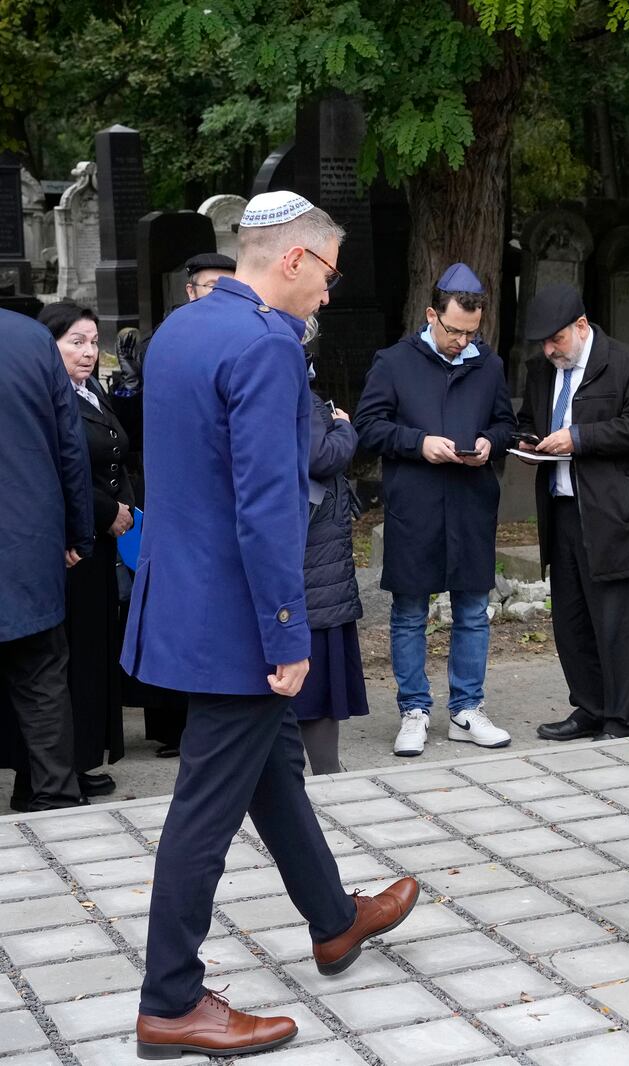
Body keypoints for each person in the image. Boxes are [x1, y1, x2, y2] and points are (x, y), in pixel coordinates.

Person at [123, 191, 417, 1058]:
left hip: (182, 597)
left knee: (273, 769)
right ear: (291, 259)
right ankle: (170, 1000)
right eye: (327, 273)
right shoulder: (264, 345)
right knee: (203, 812)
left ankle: (333, 921)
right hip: (238, 620)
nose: (329, 294)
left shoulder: (185, 326)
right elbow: (265, 504)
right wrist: (288, 633)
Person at [355, 263, 519, 758]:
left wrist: (491, 443)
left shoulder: (487, 365)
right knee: (409, 613)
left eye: (471, 333)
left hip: (470, 503)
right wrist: (418, 442)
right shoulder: (394, 362)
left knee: (473, 611)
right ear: (432, 315)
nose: (461, 341)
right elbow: (367, 426)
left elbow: (506, 424)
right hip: (417, 505)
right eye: (453, 331)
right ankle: (414, 711)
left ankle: (468, 709)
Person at [515, 284, 629, 742]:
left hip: (617, 514)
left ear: (581, 326)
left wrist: (579, 438)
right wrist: (525, 441)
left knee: (618, 622)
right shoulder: (542, 370)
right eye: (541, 342)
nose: (549, 350)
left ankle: (623, 719)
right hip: (562, 511)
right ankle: (589, 708)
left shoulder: (626, 363)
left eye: (556, 339)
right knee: (572, 619)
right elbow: (529, 418)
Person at [112, 253, 231, 759]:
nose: (214, 296)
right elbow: (133, 434)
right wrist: (132, 387)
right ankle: (170, 724)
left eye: (224, 288)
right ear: (189, 291)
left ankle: (200, 722)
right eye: (207, 287)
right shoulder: (170, 341)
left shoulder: (238, 339)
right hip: (160, 489)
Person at [16, 303, 130, 808]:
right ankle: (50, 777)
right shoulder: (40, 385)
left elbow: (112, 452)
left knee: (84, 656)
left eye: (92, 342)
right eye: (75, 342)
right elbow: (64, 463)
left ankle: (74, 764)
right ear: (48, 345)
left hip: (91, 540)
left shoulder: (92, 390)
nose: (88, 352)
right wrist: (99, 517)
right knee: (53, 664)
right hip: (64, 541)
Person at [0, 308, 92, 813]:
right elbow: (70, 445)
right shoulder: (32, 339)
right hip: (26, 540)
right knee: (39, 678)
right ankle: (55, 796)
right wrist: (78, 531)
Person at [293, 320, 369, 774]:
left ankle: (323, 768)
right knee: (313, 673)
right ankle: (325, 770)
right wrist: (345, 429)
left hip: (318, 552)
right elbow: (321, 457)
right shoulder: (297, 390)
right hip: (313, 554)